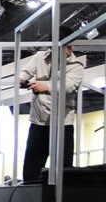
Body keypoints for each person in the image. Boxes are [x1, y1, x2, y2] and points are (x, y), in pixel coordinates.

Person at [19, 27, 87, 184]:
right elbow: (26, 71)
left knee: (63, 170)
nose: (67, 50)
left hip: (62, 124)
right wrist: (22, 79)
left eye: (67, 46)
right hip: (39, 122)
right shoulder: (40, 57)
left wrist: (47, 87)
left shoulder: (76, 65)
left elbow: (69, 86)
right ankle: (31, 195)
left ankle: (62, 198)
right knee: (31, 169)